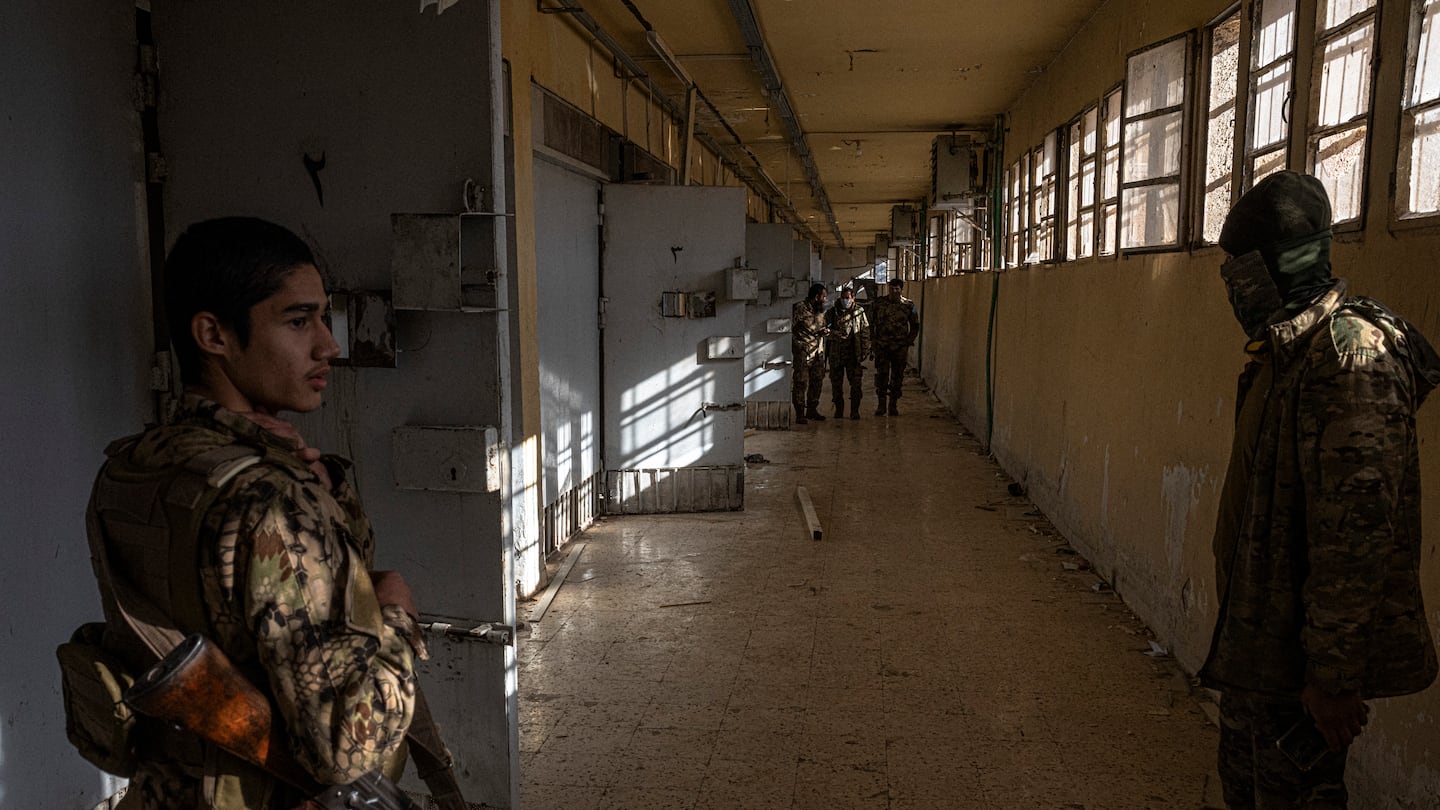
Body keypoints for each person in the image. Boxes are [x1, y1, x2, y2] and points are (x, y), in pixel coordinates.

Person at [85, 218, 423, 808]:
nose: (329, 344)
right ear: (213, 335)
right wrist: (394, 611)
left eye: (323, 316)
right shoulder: (268, 499)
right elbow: (348, 749)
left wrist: (310, 484)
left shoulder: (132, 467)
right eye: (299, 321)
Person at [1200, 172, 1440, 808]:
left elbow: (1356, 535)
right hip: (1262, 653)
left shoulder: (1349, 360)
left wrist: (1332, 675)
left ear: (1276, 265)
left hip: (1299, 666)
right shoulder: (1287, 355)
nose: (1231, 284)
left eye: (1239, 267)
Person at [869, 278, 919, 415]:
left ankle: (893, 405)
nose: (894, 291)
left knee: (897, 377)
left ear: (901, 290)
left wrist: (908, 341)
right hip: (882, 346)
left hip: (899, 347)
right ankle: (881, 405)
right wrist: (873, 341)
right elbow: (870, 323)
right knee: (881, 376)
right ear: (888, 288)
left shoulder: (909, 305)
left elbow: (915, 326)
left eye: (897, 289)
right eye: (892, 288)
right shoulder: (878, 304)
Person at [824, 286, 871, 420]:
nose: (845, 301)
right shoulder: (832, 313)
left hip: (853, 355)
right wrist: (835, 334)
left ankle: (854, 411)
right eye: (843, 298)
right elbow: (825, 331)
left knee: (856, 384)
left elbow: (865, 331)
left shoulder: (859, 312)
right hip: (836, 355)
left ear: (853, 298)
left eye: (848, 298)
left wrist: (865, 350)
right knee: (836, 385)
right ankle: (839, 410)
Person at [791, 283, 829, 425]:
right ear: (816, 296)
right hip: (803, 354)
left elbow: (821, 326)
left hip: (818, 353)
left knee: (817, 382)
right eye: (823, 296)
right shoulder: (799, 308)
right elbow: (789, 329)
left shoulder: (820, 311)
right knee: (801, 383)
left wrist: (825, 331)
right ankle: (800, 413)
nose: (825, 300)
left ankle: (812, 410)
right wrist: (798, 345)